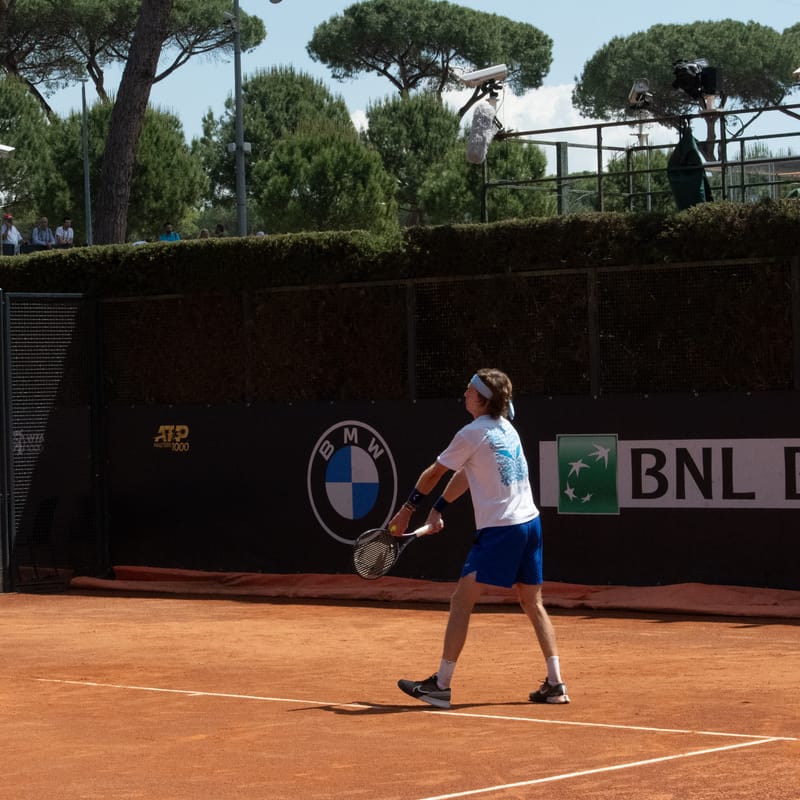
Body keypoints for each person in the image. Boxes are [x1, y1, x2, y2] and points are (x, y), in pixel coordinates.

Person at [390, 368, 569, 709]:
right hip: (530, 525)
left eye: (470, 391)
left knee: (461, 600)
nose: (465, 394)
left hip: (502, 531)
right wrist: (439, 508)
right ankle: (556, 683)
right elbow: (466, 474)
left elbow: (434, 472)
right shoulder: (506, 429)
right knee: (533, 602)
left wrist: (407, 510)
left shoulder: (472, 432)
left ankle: (440, 686)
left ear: (483, 400)